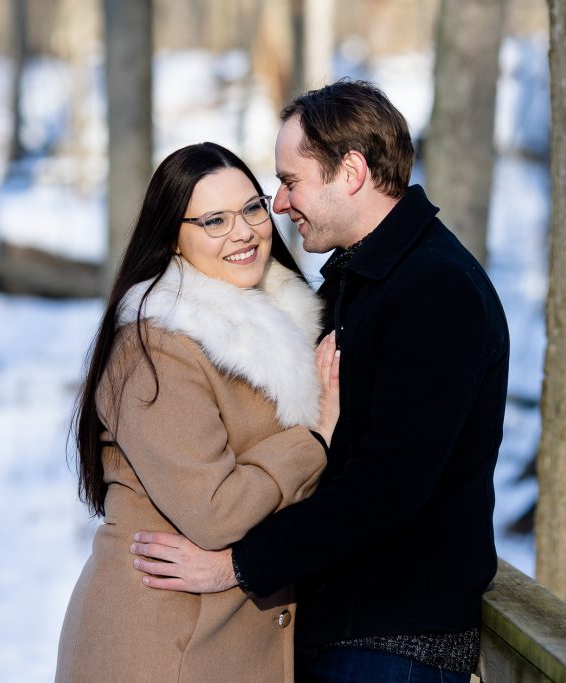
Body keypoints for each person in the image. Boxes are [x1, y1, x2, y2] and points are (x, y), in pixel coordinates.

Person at [130, 80, 510, 682]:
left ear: (351, 171)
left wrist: (236, 566)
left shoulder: (436, 291)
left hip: (393, 640)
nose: (279, 205)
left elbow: (388, 484)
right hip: (338, 625)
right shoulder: (360, 279)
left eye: (289, 182)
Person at [55, 142, 340, 683]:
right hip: (163, 644)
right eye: (214, 220)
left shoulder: (283, 325)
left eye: (252, 208)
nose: (244, 232)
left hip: (224, 639)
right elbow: (214, 512)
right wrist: (315, 440)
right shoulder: (156, 348)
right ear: (173, 240)